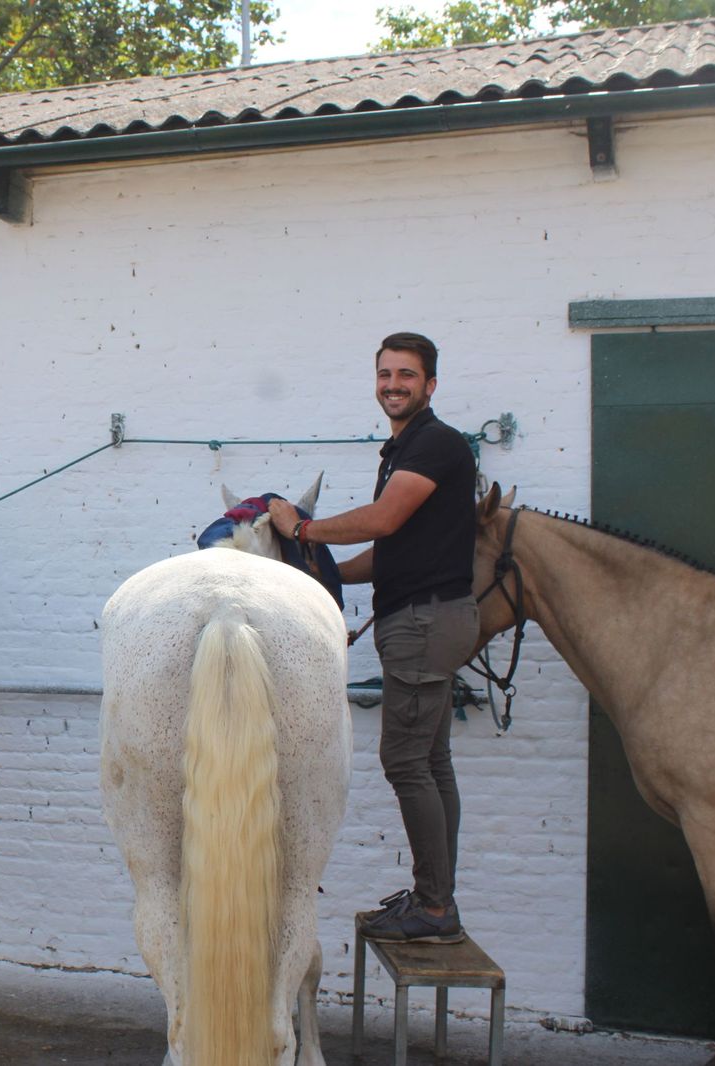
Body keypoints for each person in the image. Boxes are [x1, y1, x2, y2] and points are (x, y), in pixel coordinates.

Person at [269, 331, 479, 945]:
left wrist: (302, 528)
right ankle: (437, 900)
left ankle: (434, 910)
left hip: (422, 623)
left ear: (430, 384)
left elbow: (384, 519)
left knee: (405, 760)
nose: (394, 384)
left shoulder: (435, 444)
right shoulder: (404, 448)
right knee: (432, 761)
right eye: (385, 374)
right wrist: (320, 573)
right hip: (425, 617)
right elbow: (389, 551)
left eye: (406, 375)